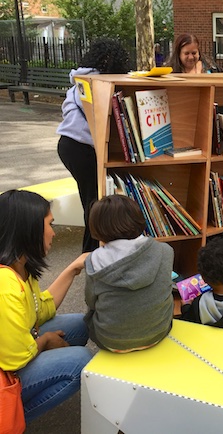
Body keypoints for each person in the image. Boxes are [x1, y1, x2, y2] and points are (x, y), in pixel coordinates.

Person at [0, 190, 93, 423]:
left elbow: (40, 309)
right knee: (80, 360)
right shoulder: (5, 285)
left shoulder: (19, 267)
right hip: (8, 367)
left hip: (14, 351)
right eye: (50, 224)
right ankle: (12, 418)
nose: (53, 232)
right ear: (29, 230)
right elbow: (16, 359)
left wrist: (73, 268)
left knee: (81, 325)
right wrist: (46, 340)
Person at [56, 38, 131, 253]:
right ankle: (90, 254)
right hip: (82, 148)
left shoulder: (81, 79)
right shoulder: (95, 83)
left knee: (90, 201)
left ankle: (91, 252)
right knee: (94, 203)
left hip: (69, 145)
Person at [83, 195, 174, 352]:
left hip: (110, 341)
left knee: (91, 313)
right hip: (158, 334)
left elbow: (90, 301)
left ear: (97, 226)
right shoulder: (165, 251)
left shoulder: (93, 261)